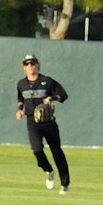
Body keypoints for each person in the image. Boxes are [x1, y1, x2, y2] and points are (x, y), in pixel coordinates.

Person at [15, 54, 70, 194]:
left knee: (57, 151)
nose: (30, 66)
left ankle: (65, 184)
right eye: (27, 64)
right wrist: (19, 110)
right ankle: (48, 171)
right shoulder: (21, 84)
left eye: (33, 63)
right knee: (37, 150)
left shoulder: (47, 81)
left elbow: (63, 95)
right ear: (23, 68)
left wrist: (51, 98)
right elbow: (20, 98)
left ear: (38, 65)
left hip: (48, 122)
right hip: (32, 122)